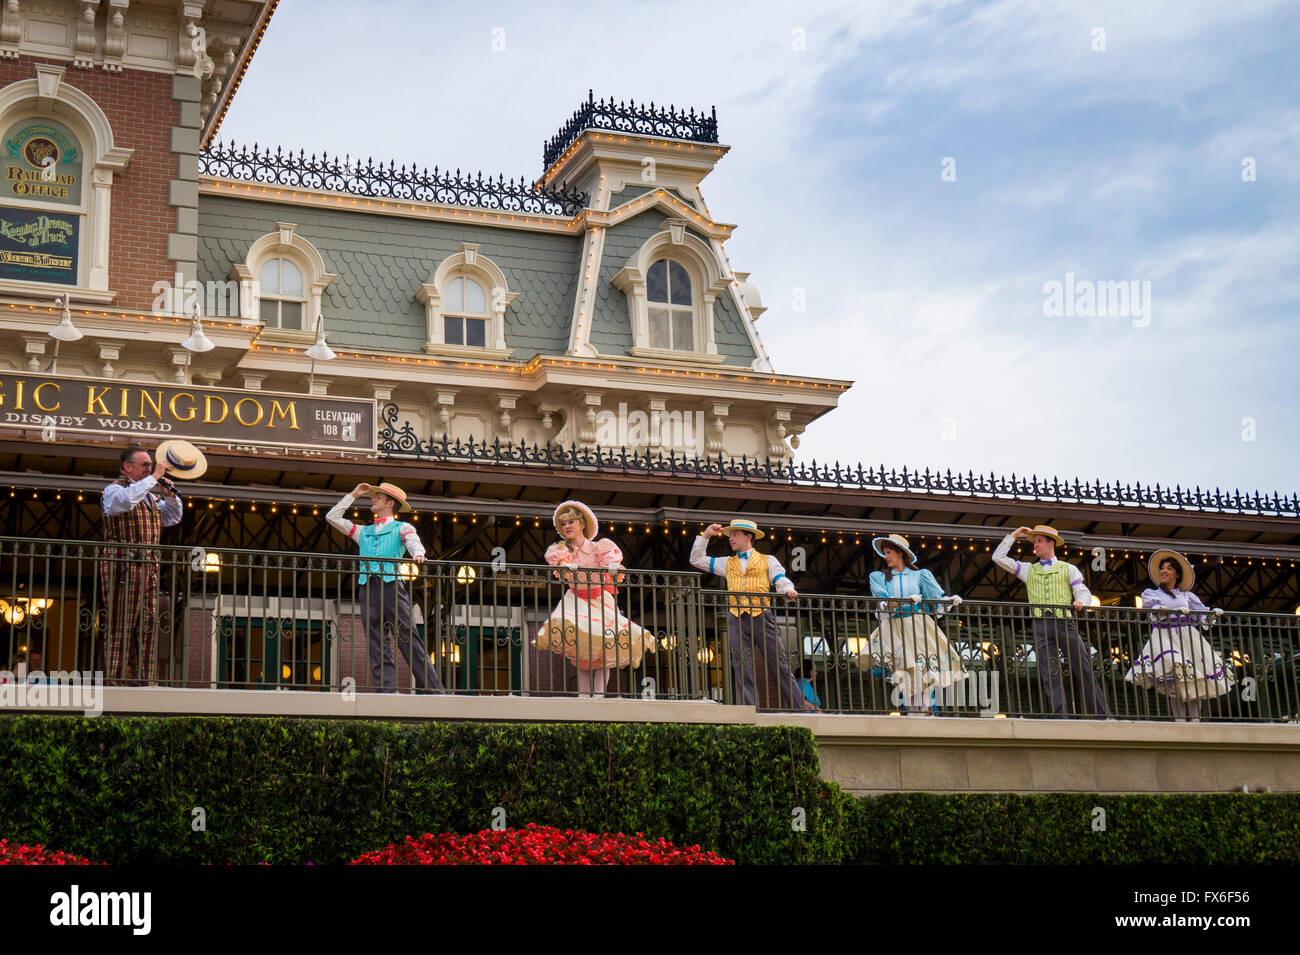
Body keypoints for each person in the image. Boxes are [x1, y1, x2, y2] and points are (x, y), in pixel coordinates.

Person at [326, 482, 443, 693]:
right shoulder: (363, 532)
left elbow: (413, 541)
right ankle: (386, 690)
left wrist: (418, 553)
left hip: (391, 587)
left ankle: (435, 690)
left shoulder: (402, 527)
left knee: (408, 639)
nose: (373, 499)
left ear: (390, 503)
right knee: (375, 640)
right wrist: (353, 494)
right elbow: (332, 517)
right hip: (367, 588)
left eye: (377, 497)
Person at [690, 518, 815, 711]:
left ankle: (799, 709)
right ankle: (750, 711)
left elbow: (779, 577)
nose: (730, 538)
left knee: (780, 665)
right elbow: (696, 560)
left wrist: (788, 590)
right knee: (743, 667)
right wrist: (706, 535)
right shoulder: (727, 563)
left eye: (735, 534)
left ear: (748, 536)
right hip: (736, 618)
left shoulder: (767, 560)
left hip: (762, 616)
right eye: (730, 534)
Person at [536, 501, 655, 698]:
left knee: (604, 649)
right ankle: (584, 697)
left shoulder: (600, 547)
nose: (567, 527)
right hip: (576, 600)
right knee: (582, 650)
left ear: (582, 524)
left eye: (571, 522)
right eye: (563, 524)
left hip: (600, 600)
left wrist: (612, 566)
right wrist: (566, 564)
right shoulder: (562, 548)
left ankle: (598, 696)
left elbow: (609, 559)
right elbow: (560, 559)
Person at [992, 524, 1111, 718]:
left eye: (1039, 541)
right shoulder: (1028, 569)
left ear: (1051, 544)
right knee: (1050, 673)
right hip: (1040, 625)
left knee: (1083, 668)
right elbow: (998, 558)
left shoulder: (1068, 568)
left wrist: (1082, 601)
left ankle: (1102, 714)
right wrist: (1013, 535)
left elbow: (1082, 590)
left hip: (1064, 623)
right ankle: (1060, 716)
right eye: (1034, 541)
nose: (1035, 546)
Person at [100, 443, 189, 685]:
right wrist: (155, 477)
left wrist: (170, 494)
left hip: (148, 565)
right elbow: (127, 501)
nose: (150, 468)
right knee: (120, 624)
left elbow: (172, 517)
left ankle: (146, 680)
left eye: (151, 465)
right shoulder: (113, 490)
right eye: (145, 465)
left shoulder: (149, 495)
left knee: (148, 624)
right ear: (127, 467)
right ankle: (114, 681)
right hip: (122, 565)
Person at [857, 534, 965, 715]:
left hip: (918, 626)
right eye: (884, 553)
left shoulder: (920, 575)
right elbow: (883, 601)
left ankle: (925, 711)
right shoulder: (879, 577)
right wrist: (903, 602)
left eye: (889, 552)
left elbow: (936, 598)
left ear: (900, 553)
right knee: (905, 671)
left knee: (921, 669)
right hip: (894, 628)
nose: (886, 556)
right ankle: (914, 712)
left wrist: (950, 601)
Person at [1125, 550, 1234, 721]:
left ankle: (1195, 720)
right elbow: (1155, 611)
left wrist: (1213, 614)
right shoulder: (1151, 593)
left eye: (1168, 568)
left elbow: (1202, 616)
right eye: (1162, 567)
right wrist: (1173, 611)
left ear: (1177, 574)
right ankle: (1180, 721)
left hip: (1187, 638)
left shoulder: (1187, 596)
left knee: (1193, 679)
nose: (1164, 570)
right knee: (1176, 674)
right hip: (1165, 636)